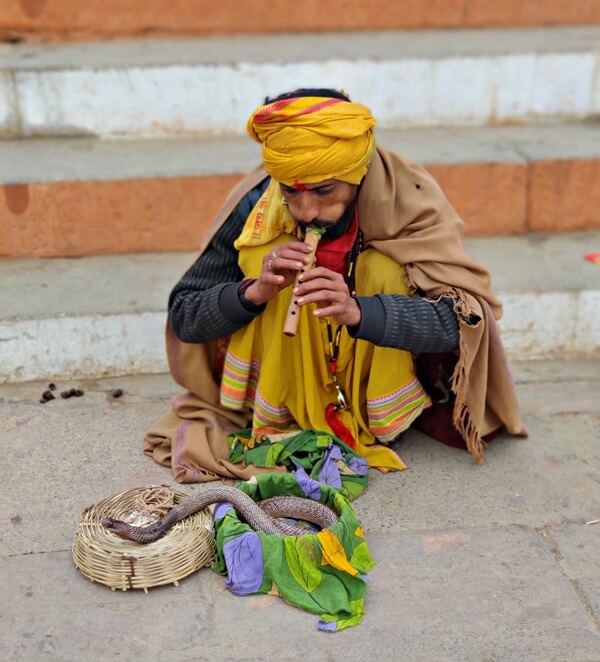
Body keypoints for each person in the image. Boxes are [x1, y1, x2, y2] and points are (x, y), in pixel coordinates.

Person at [144, 88, 526, 484]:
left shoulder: (407, 200)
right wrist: (253, 293)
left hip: (370, 397)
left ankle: (374, 413)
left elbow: (462, 324)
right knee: (266, 254)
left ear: (356, 173)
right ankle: (284, 409)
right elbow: (187, 316)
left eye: (325, 190)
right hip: (275, 403)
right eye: (291, 191)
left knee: (381, 267)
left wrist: (361, 312)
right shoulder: (259, 203)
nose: (307, 211)